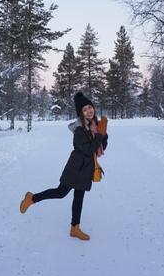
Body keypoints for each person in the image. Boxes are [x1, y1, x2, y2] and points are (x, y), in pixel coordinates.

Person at [20, 92, 108, 241]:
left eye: (90, 107)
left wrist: (104, 135)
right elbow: (88, 149)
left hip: (87, 168)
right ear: (81, 113)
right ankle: (32, 198)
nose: (89, 111)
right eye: (85, 109)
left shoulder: (95, 126)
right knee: (61, 193)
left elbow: (101, 147)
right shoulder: (79, 129)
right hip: (75, 167)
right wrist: (99, 135)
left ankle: (75, 228)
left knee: (79, 198)